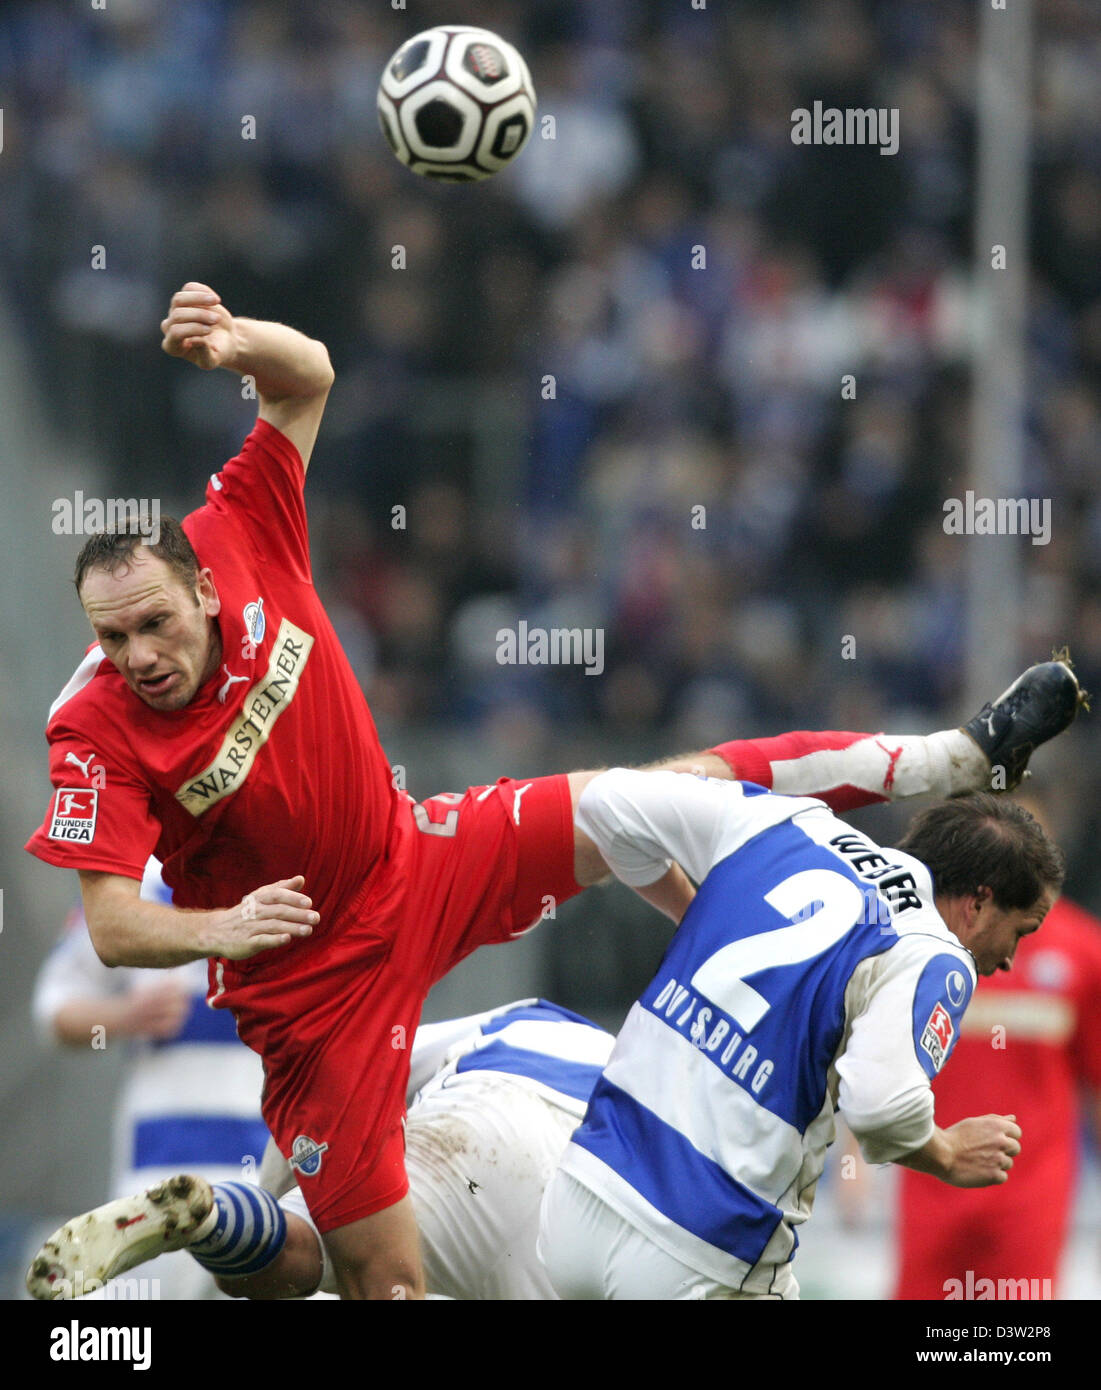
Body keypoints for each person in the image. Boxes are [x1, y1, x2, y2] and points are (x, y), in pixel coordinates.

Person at [24, 281, 1084, 1299]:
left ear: (204, 586)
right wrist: (228, 924)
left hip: (421, 854)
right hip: (312, 988)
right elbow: (114, 927)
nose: (138, 654)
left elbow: (309, 376)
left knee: (669, 787)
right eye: (111, 637)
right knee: (378, 1284)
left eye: (154, 623)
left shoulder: (239, 526)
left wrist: (235, 340)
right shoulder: (93, 729)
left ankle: (954, 751)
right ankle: (218, 1223)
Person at [537, 771, 1066, 1299]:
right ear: (977, 904)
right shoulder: (936, 951)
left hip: (580, 1198)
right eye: (1021, 931)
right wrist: (947, 1152)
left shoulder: (784, 819)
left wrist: (689, 910)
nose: (1010, 959)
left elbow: (604, 804)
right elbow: (882, 1109)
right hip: (703, 1244)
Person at [29, 999, 614, 1301]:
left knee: (309, 1255)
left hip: (479, 1115)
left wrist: (266, 1205)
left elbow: (355, 1078)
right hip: (601, 1202)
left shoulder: (535, 1021)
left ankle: (213, 1221)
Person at [893, 794, 1101, 1301]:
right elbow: (876, 1053)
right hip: (930, 1180)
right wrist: (854, 1153)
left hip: (1030, 1195)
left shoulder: (1084, 950)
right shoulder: (922, 944)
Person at [31, 859, 269, 1299]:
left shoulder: (289, 867)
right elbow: (54, 1009)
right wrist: (124, 1016)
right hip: (159, 1177)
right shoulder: (137, 885)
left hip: (275, 1177)